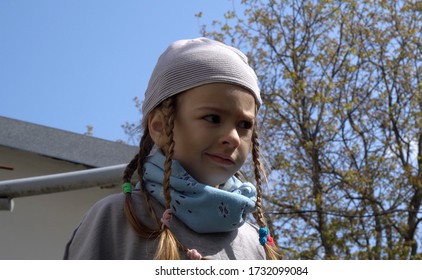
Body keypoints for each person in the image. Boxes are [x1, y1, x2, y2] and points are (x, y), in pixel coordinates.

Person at [64, 37, 281, 260]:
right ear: (160, 127)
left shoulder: (255, 244)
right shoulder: (115, 218)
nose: (233, 138)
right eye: (213, 118)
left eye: (245, 125)